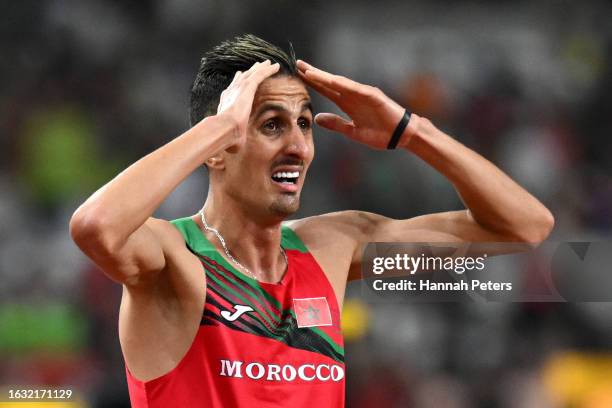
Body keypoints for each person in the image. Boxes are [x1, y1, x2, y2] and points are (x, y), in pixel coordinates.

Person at [69, 34, 554, 407]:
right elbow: (96, 227)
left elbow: (524, 227)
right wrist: (220, 126)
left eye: (304, 122)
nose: (298, 147)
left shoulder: (333, 247)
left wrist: (413, 132)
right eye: (271, 125)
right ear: (216, 149)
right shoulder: (171, 259)